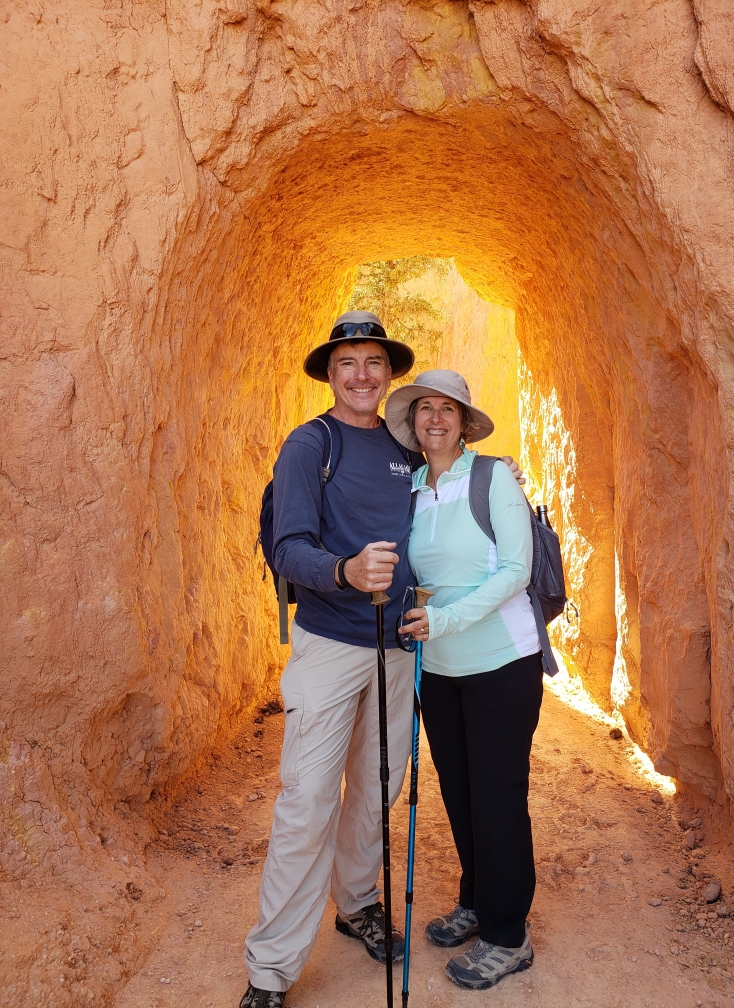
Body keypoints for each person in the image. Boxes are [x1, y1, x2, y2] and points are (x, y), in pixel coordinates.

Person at [241, 318, 524, 1008]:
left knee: (377, 789)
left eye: (374, 363)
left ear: (388, 374)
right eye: (348, 363)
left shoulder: (404, 446)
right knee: (307, 803)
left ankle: (359, 902)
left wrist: (493, 470)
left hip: (398, 649)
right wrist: (344, 570)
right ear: (330, 373)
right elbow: (287, 549)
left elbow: (447, 478)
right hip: (331, 645)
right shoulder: (313, 445)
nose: (362, 374)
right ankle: (270, 969)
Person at [386, 370, 543, 992]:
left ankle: (509, 935)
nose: (434, 418)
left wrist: (446, 616)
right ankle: (477, 900)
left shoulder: (492, 476)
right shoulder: (414, 489)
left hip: (502, 662)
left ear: (463, 420)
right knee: (460, 791)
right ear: (414, 423)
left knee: (498, 794)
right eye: (424, 407)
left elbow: (515, 569)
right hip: (440, 667)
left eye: (446, 408)